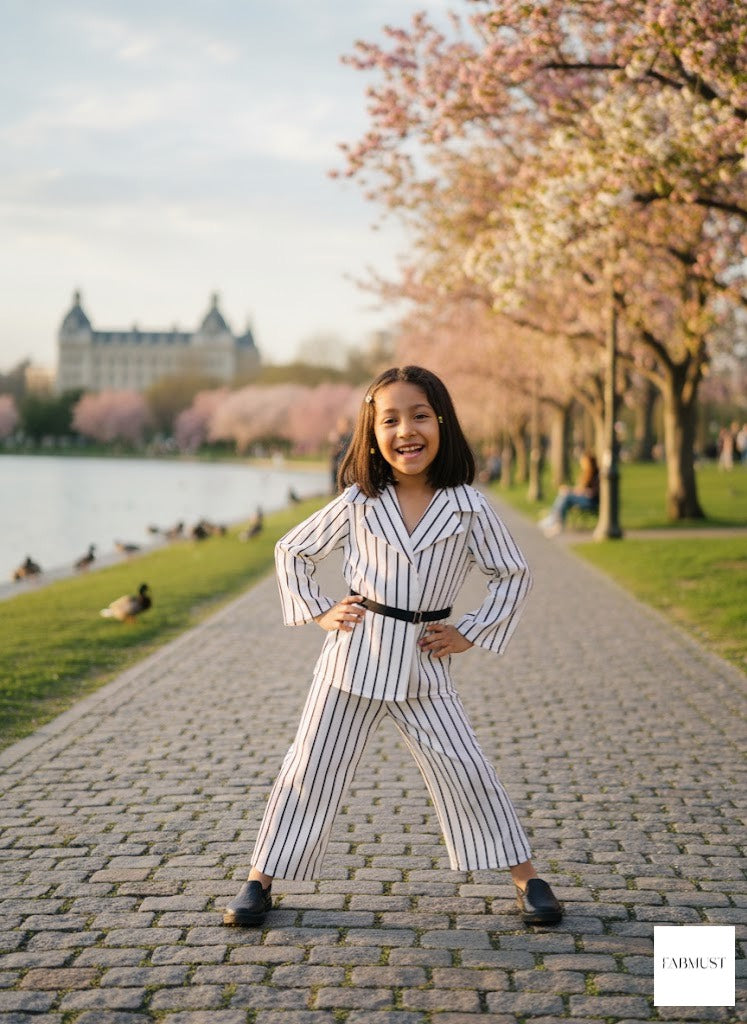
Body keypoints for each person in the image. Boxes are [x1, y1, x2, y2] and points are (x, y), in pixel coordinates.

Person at [223, 365, 563, 929]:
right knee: (310, 768)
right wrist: (319, 610)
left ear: (442, 422)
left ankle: (529, 880)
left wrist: (469, 632)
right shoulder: (360, 499)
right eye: (390, 420)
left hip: (425, 664)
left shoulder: (467, 506)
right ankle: (260, 880)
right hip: (351, 659)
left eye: (420, 416)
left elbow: (514, 574)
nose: (407, 430)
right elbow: (292, 551)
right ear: (372, 433)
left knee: (466, 768)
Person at [538, 452, 600, 536]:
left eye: (584, 462)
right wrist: (571, 490)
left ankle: (555, 521)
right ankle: (554, 519)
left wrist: (571, 491)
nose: (582, 464)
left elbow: (591, 493)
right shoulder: (586, 474)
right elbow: (580, 489)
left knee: (566, 497)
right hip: (584, 498)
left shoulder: (596, 475)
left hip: (590, 502)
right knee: (564, 496)